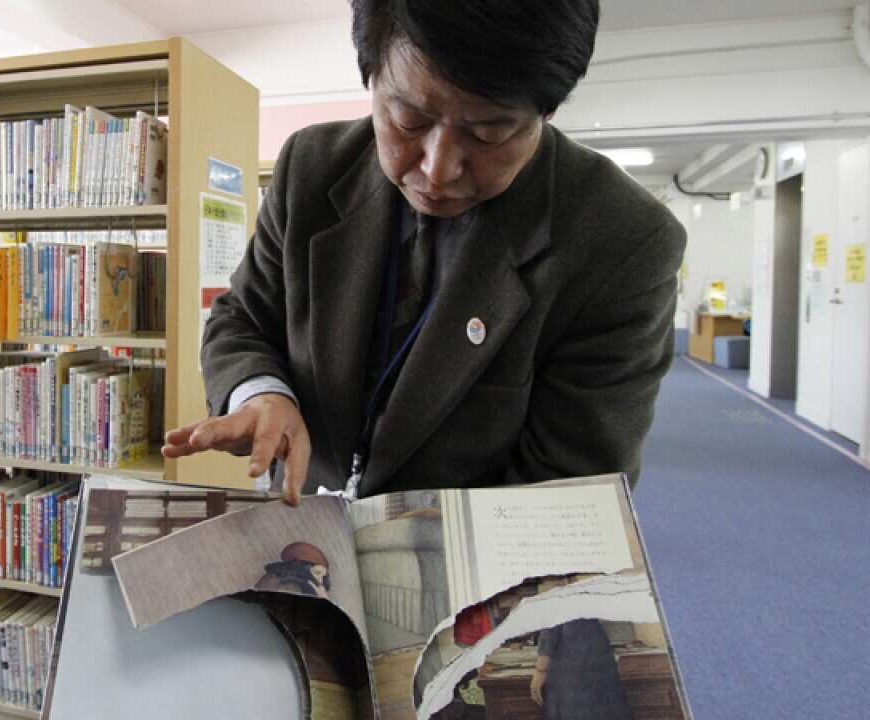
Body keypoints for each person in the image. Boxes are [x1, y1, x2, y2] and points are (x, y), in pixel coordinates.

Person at [162, 0, 686, 504]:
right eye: (409, 120)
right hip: (301, 531)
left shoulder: (623, 243)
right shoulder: (310, 169)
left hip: (474, 576)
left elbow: (565, 496)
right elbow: (242, 316)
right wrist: (260, 393)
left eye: (488, 134)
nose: (437, 169)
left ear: (546, 111)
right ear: (371, 78)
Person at [531, 619, 634, 719]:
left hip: (571, 669)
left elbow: (549, 637)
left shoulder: (557, 607)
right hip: (596, 658)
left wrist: (540, 671)